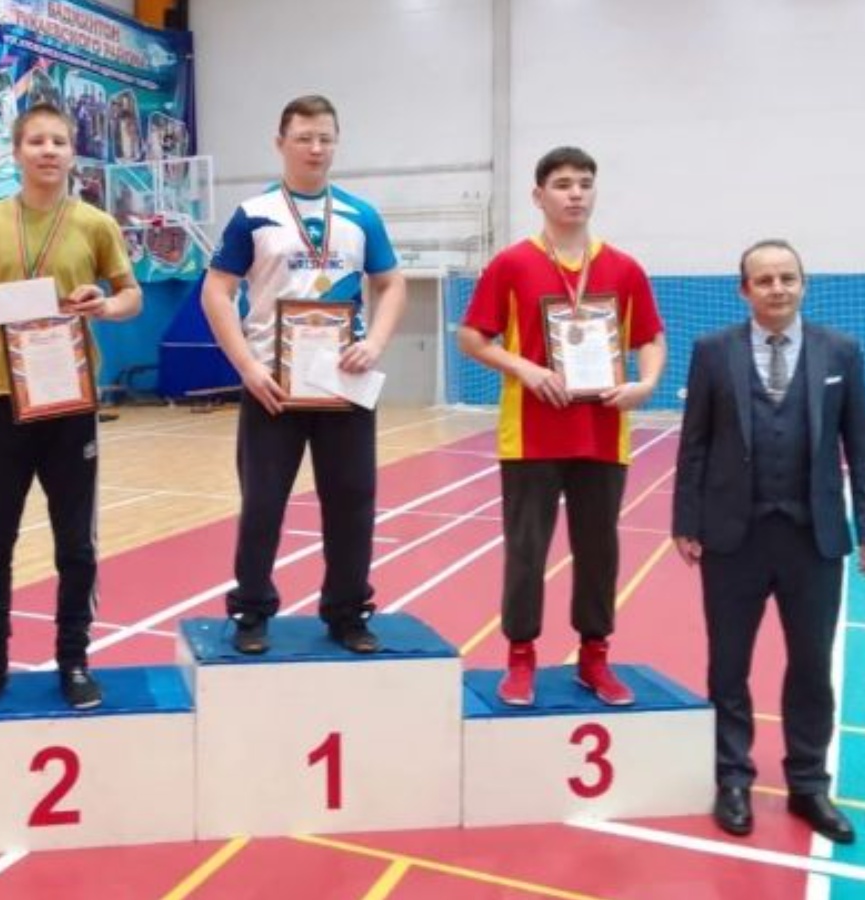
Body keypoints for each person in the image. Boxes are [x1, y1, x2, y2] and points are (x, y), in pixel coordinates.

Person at [673, 239, 865, 845]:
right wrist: (686, 520)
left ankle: (808, 784)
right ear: (744, 290)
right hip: (731, 537)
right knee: (729, 664)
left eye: (787, 278)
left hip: (812, 538)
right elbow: (694, 443)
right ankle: (732, 778)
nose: (777, 289)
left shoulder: (840, 350)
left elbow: (860, 444)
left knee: (812, 666)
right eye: (764, 280)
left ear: (803, 284)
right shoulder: (712, 351)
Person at [0, 102, 140, 713]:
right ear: (16, 151)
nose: (48, 150)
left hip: (69, 401)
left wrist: (105, 306)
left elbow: (131, 296)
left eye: (58, 141)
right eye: (36, 141)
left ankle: (73, 659)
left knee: (75, 543)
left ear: (73, 152)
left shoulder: (96, 224)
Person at [458, 146, 666, 707]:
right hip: (531, 435)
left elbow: (650, 337)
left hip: (603, 432)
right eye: (563, 184)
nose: (575, 193)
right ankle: (520, 657)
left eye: (585, 184)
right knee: (527, 550)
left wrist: (646, 384)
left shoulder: (624, 268)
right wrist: (523, 368)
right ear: (538, 195)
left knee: (599, 552)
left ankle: (594, 657)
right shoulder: (511, 264)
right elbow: (471, 337)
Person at [201, 94, 407, 655]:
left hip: (344, 384)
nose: (315, 148)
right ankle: (251, 611)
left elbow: (391, 282)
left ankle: (347, 611)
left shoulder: (361, 215)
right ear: (281, 143)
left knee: (352, 502)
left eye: (325, 138)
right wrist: (246, 366)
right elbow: (216, 290)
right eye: (304, 138)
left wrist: (375, 342)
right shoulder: (253, 214)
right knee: (263, 503)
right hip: (274, 385)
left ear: (335, 143)